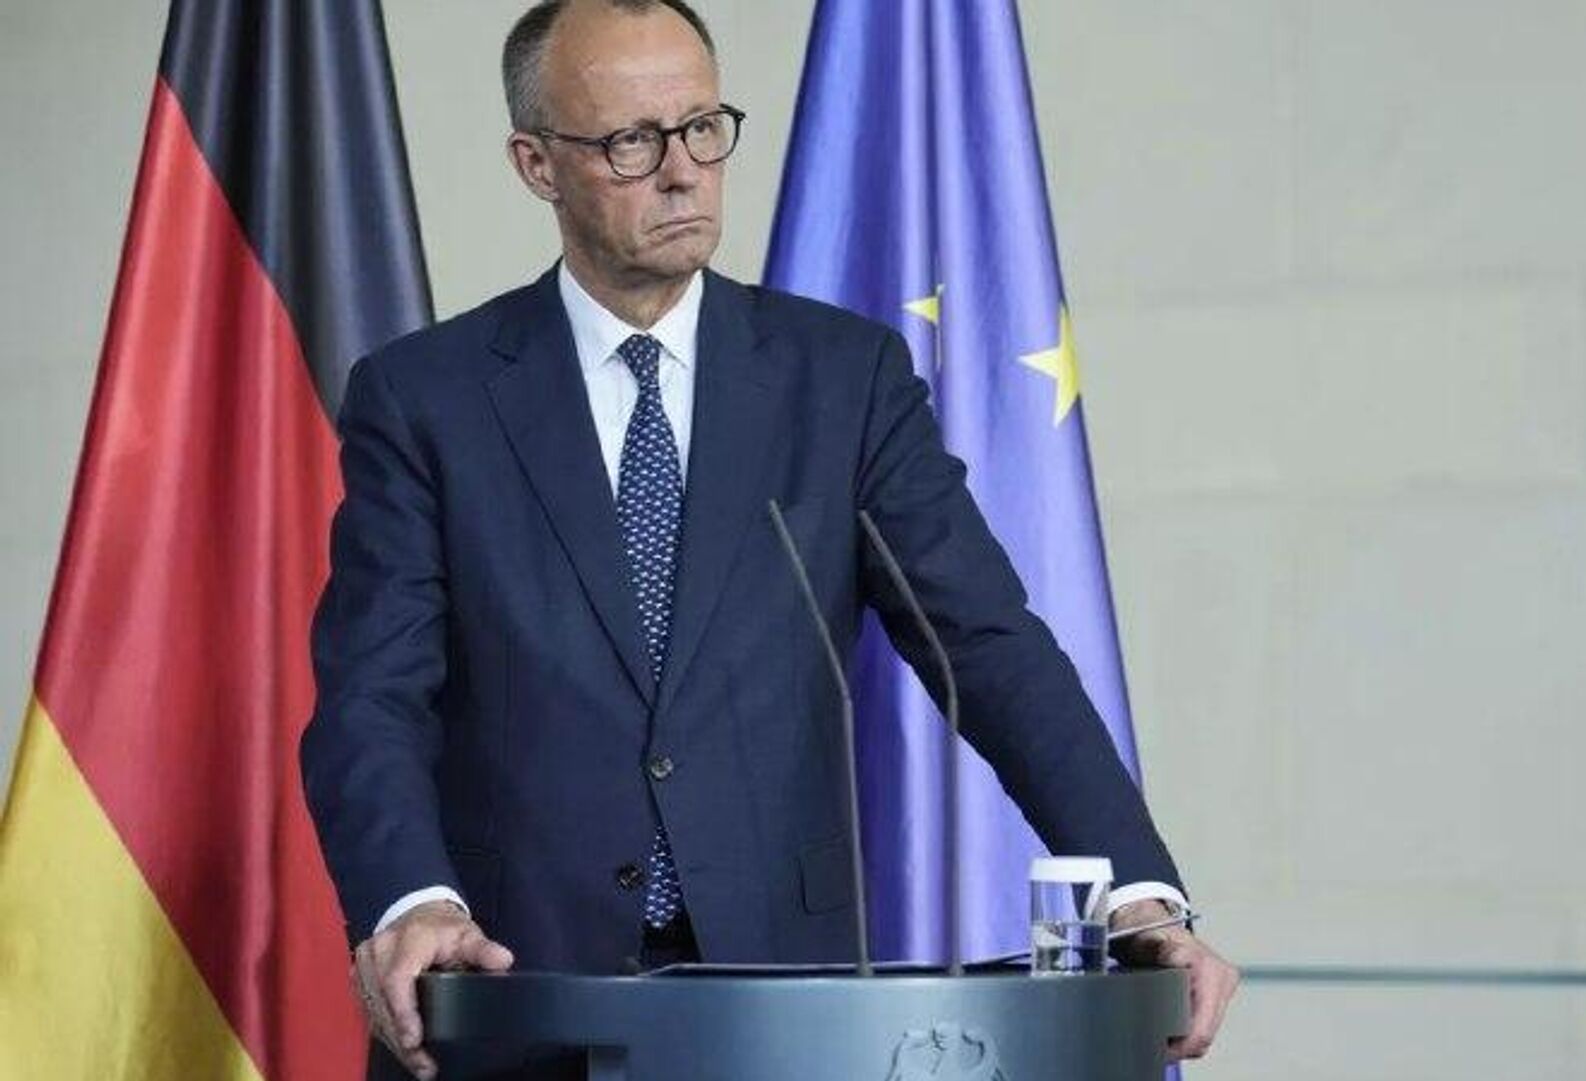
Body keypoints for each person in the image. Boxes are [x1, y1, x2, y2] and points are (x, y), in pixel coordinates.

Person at [299, 2, 1239, 1078]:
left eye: (703, 129)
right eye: (631, 141)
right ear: (537, 164)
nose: (683, 174)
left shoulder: (842, 379)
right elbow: (372, 696)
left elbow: (987, 645)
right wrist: (412, 901)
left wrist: (1138, 890)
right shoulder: (427, 398)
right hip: (511, 997)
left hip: (785, 1010)